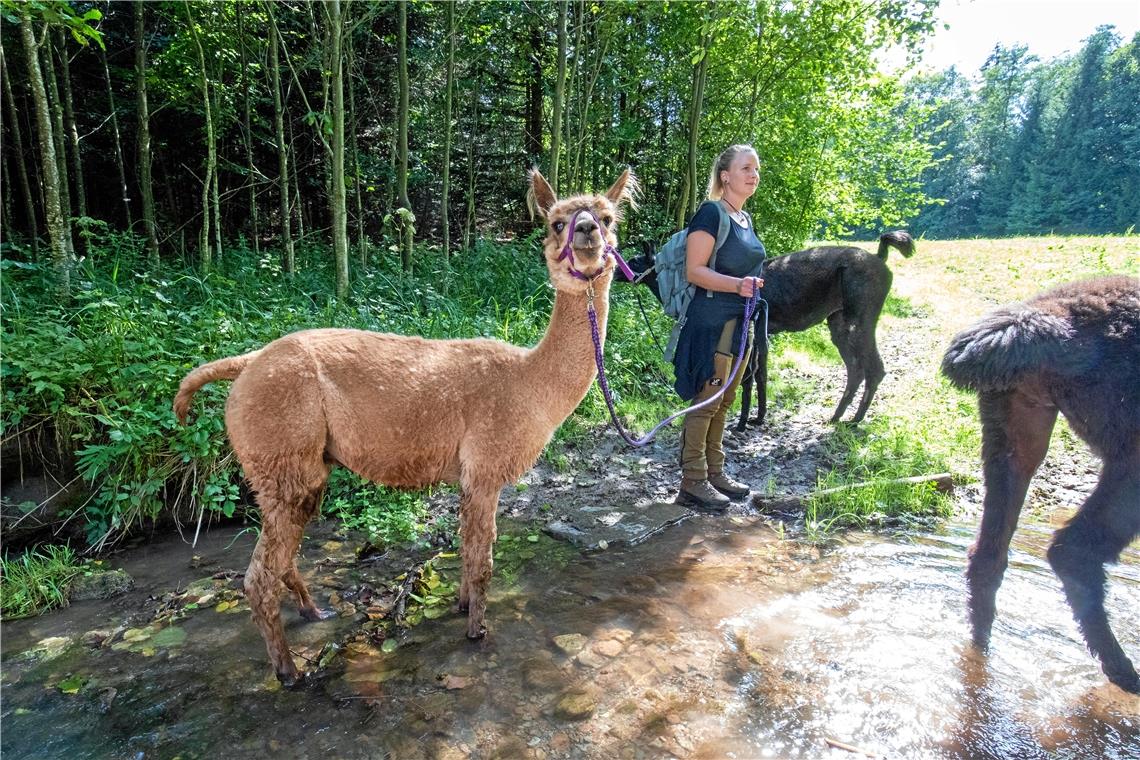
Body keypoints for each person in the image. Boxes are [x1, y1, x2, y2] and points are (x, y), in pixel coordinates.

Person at [672, 144, 766, 511]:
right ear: (725, 176)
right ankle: (692, 481)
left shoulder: (744, 219)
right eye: (745, 168)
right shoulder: (711, 214)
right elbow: (694, 271)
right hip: (711, 322)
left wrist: (748, 290)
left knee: (725, 400)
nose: (753, 175)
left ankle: (715, 472)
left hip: (742, 321)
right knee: (707, 400)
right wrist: (738, 285)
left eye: (756, 170)